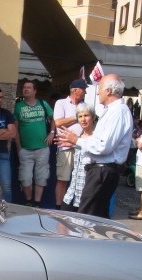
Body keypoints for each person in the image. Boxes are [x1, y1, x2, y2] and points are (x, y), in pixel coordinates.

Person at [56, 73, 133, 218]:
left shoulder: (118, 111)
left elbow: (104, 146)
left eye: (100, 89)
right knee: (96, 217)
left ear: (108, 91)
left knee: (86, 217)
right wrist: (76, 143)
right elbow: (99, 142)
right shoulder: (113, 111)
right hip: (100, 170)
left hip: (102, 171)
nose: (97, 93)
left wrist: (76, 140)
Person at [14, 80, 55, 207]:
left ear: (35, 91)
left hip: (42, 148)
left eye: (29, 87)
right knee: (25, 178)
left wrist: (52, 133)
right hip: (25, 149)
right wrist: (19, 147)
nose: (25, 89)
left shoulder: (43, 104)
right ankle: (29, 201)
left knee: (41, 177)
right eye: (24, 87)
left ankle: (37, 203)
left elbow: (54, 119)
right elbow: (15, 128)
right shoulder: (18, 106)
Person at [53, 79, 87, 208]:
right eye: (83, 89)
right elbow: (58, 122)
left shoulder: (85, 105)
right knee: (63, 179)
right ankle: (59, 208)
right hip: (65, 147)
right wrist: (77, 117)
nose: (85, 92)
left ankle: (76, 207)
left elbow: (88, 125)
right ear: (75, 90)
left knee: (80, 180)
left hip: (81, 146)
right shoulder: (61, 103)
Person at [61, 103, 96, 212]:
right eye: (80, 116)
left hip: (87, 191)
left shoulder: (96, 137)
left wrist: (76, 142)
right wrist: (73, 144)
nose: (83, 119)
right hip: (72, 191)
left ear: (93, 117)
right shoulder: (79, 136)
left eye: (86, 115)